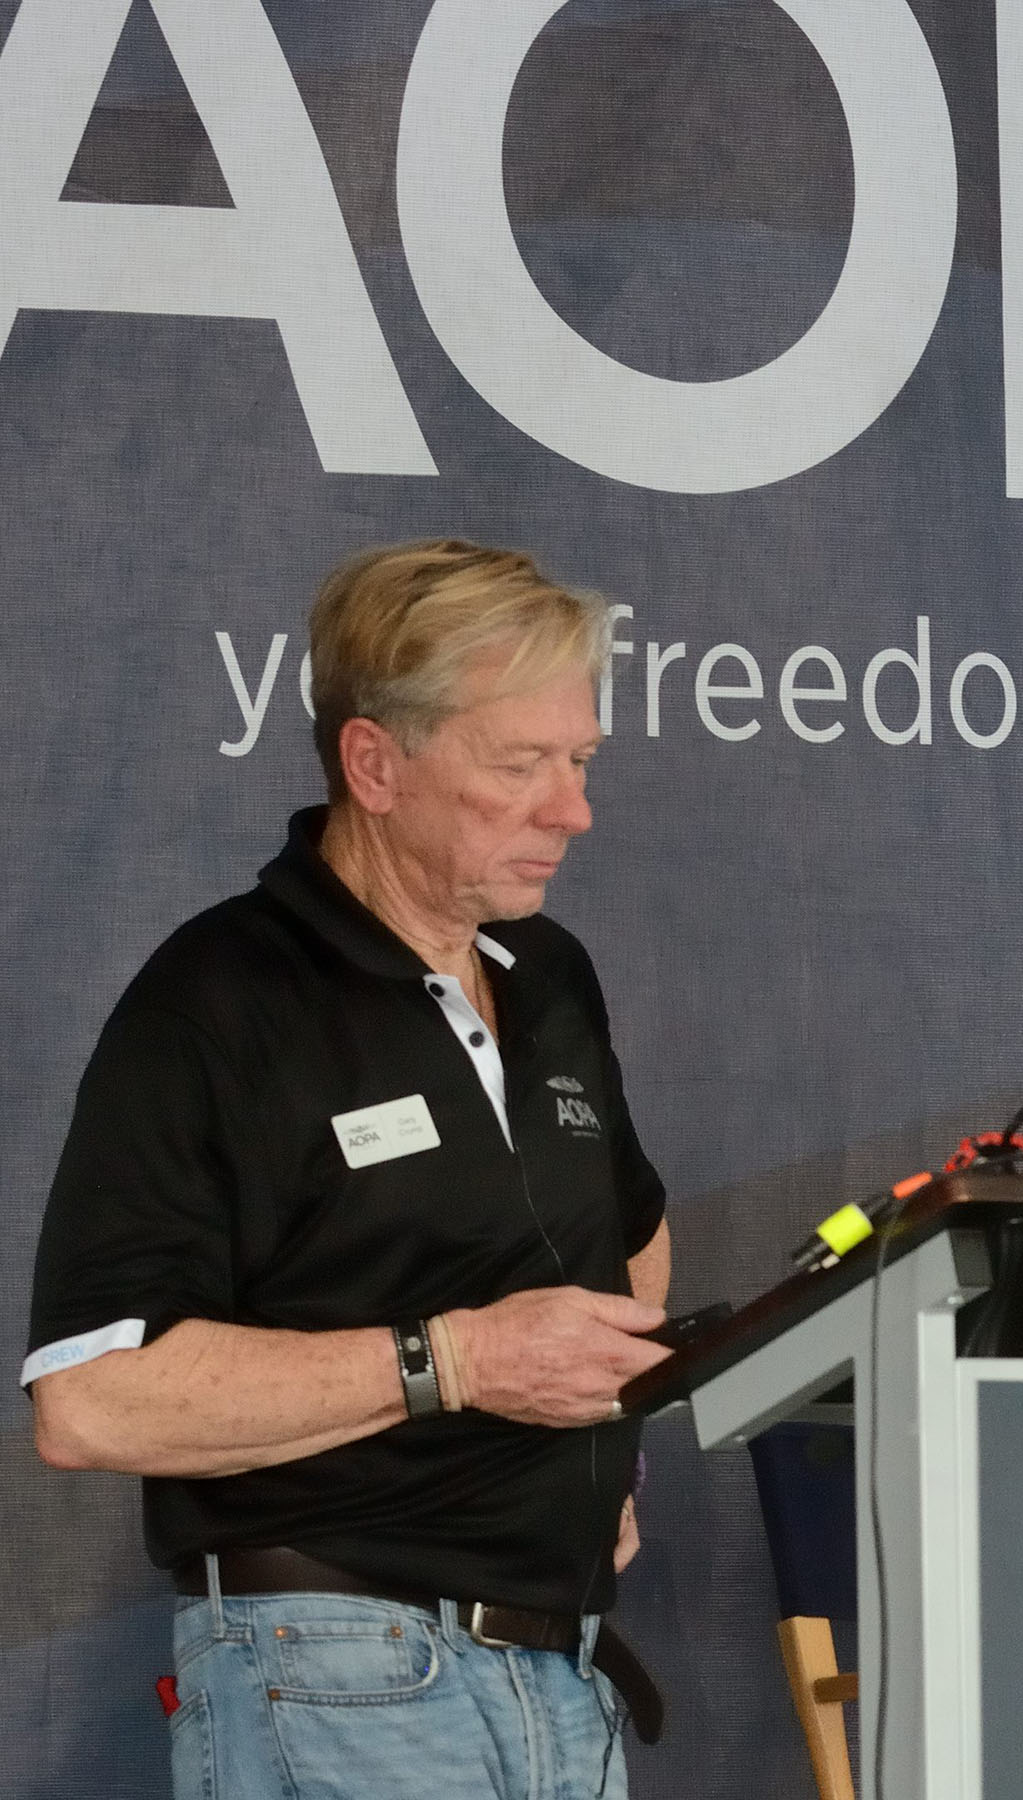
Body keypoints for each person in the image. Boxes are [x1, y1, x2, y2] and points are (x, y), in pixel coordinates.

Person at [21, 540, 677, 1799]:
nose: (574, 810)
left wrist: (609, 1437)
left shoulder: (550, 978)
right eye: (520, 765)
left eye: (581, 762)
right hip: (340, 1672)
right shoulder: (220, 1002)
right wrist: (465, 1360)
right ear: (374, 763)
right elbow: (94, 1401)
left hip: (565, 1673)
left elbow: (627, 1233)